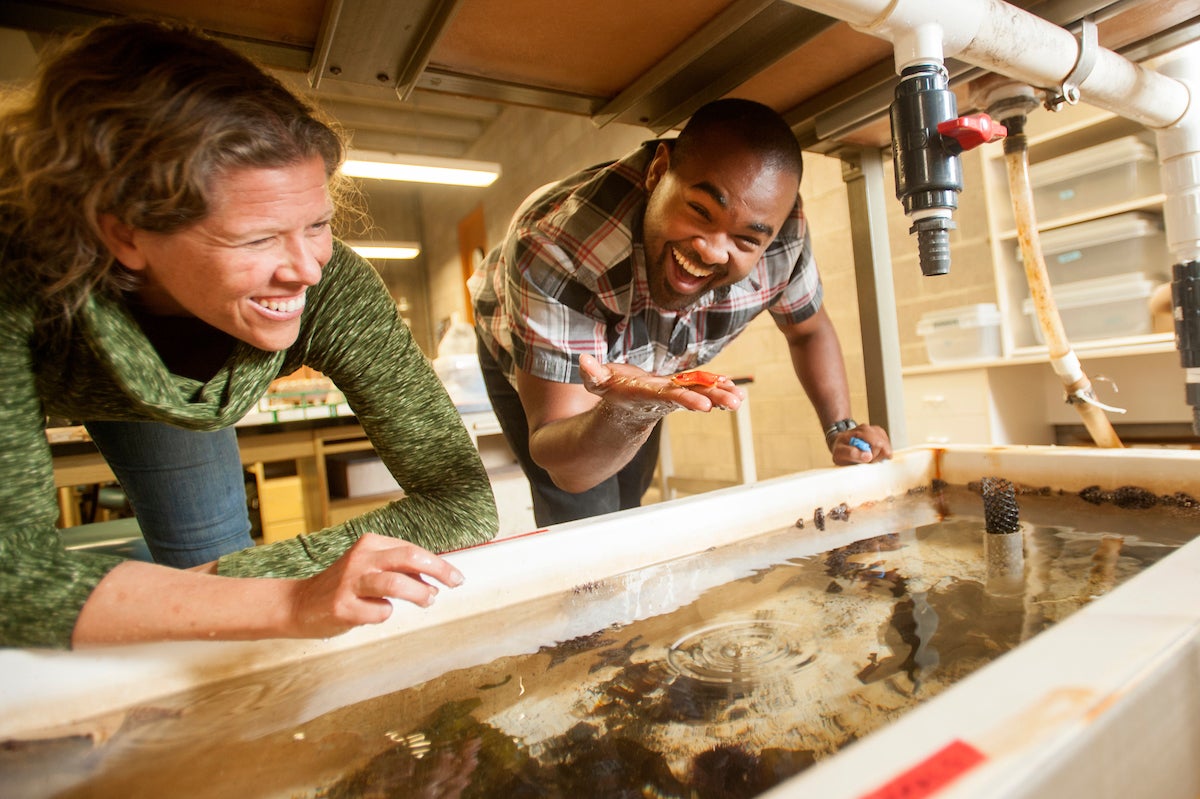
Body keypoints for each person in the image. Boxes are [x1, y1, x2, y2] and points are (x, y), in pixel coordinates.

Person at [0, 19, 498, 649]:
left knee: (215, 604)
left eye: (316, 223)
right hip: (49, 337)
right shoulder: (16, 275)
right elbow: (10, 574)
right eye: (257, 238)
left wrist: (220, 595)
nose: (306, 269)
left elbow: (460, 498)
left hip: (173, 412)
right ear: (126, 233)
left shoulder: (333, 284)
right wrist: (288, 599)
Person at [470, 98, 892, 527]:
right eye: (699, 211)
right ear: (658, 172)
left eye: (745, 240)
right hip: (520, 340)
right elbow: (570, 469)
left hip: (649, 359)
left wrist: (840, 429)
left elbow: (807, 331)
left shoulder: (783, 238)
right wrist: (627, 412)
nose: (711, 249)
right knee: (585, 511)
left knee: (629, 497)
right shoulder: (558, 245)